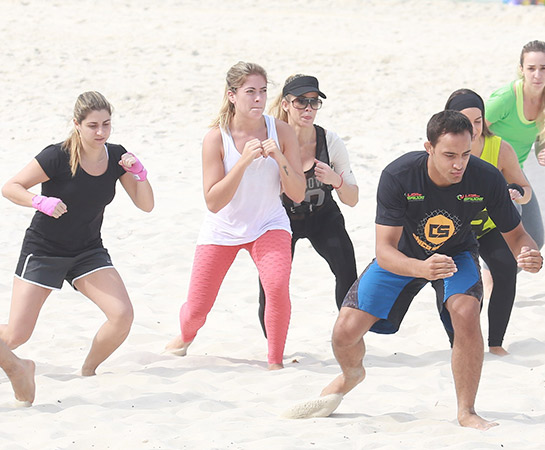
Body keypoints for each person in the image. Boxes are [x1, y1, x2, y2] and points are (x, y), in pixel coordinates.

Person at [284, 110, 543, 429]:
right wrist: (421, 267)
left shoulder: (486, 177)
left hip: (457, 254)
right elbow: (384, 250)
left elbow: (517, 235)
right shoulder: (400, 175)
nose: (458, 164)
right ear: (429, 148)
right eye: (449, 155)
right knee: (344, 333)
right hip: (404, 254)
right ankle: (352, 374)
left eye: (464, 154)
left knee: (465, 313)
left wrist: (530, 252)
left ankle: (467, 411)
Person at [0, 91, 154, 376]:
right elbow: (11, 187)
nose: (101, 132)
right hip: (44, 250)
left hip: (87, 252)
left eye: (106, 124)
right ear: (77, 124)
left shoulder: (118, 156)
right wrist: (39, 201)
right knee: (16, 336)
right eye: (93, 125)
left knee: (121, 316)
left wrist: (140, 175)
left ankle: (88, 371)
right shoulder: (57, 156)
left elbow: (146, 205)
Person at [164, 62, 305, 370]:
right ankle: (184, 337)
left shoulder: (280, 130)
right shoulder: (216, 138)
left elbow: (297, 193)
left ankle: (275, 362)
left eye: (263, 91)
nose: (258, 99)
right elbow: (213, 202)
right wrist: (242, 163)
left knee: (277, 286)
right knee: (197, 310)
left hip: (269, 224)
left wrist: (279, 156)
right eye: (250, 92)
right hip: (223, 229)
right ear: (232, 95)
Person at [257, 75, 359, 334]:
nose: (308, 109)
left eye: (314, 103)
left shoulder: (329, 141)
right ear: (286, 104)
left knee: (347, 273)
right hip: (280, 219)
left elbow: (353, 198)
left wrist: (336, 180)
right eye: (301, 102)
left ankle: (347, 337)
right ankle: (274, 345)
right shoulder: (269, 141)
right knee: (272, 283)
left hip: (323, 216)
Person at [445, 89, 532, 356]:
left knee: (506, 268)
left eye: (478, 121)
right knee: (464, 285)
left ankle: (495, 343)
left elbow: (526, 191)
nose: (472, 128)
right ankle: (461, 343)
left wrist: (516, 191)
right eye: (465, 121)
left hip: (488, 226)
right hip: (454, 229)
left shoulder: (500, 148)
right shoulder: (444, 147)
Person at [485, 40, 545, 250]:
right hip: (489, 171)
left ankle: (497, 278)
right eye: (531, 69)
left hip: (515, 170)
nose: (537, 75)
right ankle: (492, 277)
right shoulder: (505, 98)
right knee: (509, 239)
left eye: (543, 68)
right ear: (521, 70)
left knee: (534, 240)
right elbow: (471, 130)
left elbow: (542, 140)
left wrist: (544, 151)